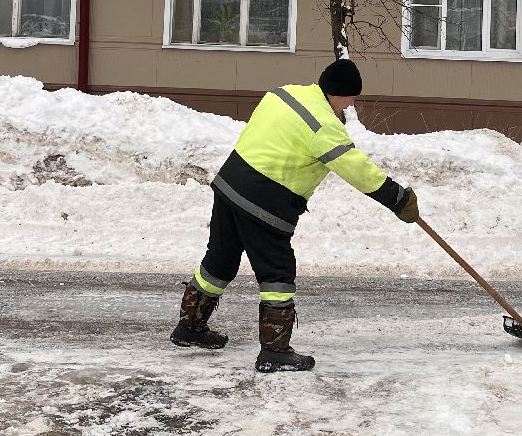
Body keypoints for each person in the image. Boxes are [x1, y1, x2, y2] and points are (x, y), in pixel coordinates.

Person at [170, 58, 422, 372]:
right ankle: (274, 351)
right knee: (277, 272)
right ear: (339, 94)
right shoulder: (323, 126)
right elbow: (358, 171)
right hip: (265, 200)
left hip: (231, 184)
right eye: (351, 97)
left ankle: (189, 328)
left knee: (220, 259)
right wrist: (400, 199)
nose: (352, 103)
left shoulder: (285, 94)